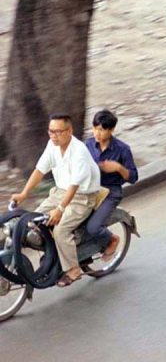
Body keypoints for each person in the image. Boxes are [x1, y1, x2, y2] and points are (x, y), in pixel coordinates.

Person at [11, 114, 101, 287]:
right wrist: (24, 194)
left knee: (61, 230)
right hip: (60, 192)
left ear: (69, 131)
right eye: (51, 131)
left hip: (81, 197)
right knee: (31, 221)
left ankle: (73, 270)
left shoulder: (79, 151)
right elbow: (39, 170)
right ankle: (54, 255)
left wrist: (60, 209)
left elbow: (75, 185)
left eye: (58, 132)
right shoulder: (52, 145)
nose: (54, 135)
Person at [85, 109, 138, 262]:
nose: (97, 133)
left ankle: (112, 239)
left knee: (93, 227)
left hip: (110, 193)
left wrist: (118, 168)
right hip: (90, 189)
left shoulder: (122, 149)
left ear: (111, 130)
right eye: (95, 128)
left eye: (101, 130)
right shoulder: (87, 145)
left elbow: (134, 177)